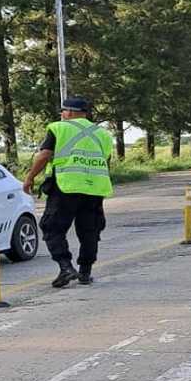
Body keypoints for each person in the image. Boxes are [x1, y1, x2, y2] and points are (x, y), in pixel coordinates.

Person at [22, 96, 113, 288]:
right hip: (95, 189)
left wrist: (30, 177)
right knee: (90, 230)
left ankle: (65, 267)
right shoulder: (103, 134)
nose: (62, 115)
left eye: (63, 111)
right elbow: (106, 160)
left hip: (66, 186)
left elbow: (44, 155)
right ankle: (85, 273)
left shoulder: (59, 128)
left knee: (52, 227)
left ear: (69, 112)